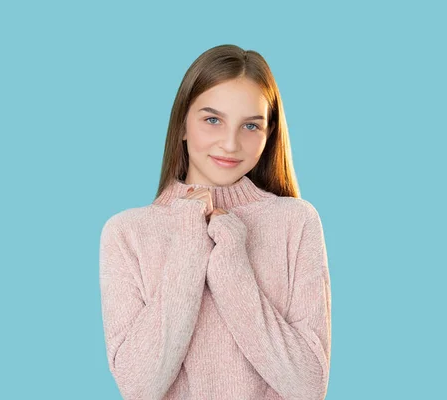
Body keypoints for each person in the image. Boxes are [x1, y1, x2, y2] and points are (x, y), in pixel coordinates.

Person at [99, 44, 331, 400]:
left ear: (269, 136)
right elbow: (140, 387)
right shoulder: (126, 233)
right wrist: (191, 239)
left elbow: (308, 387)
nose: (230, 143)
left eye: (250, 125)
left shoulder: (296, 222)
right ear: (182, 126)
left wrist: (231, 260)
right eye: (212, 119)